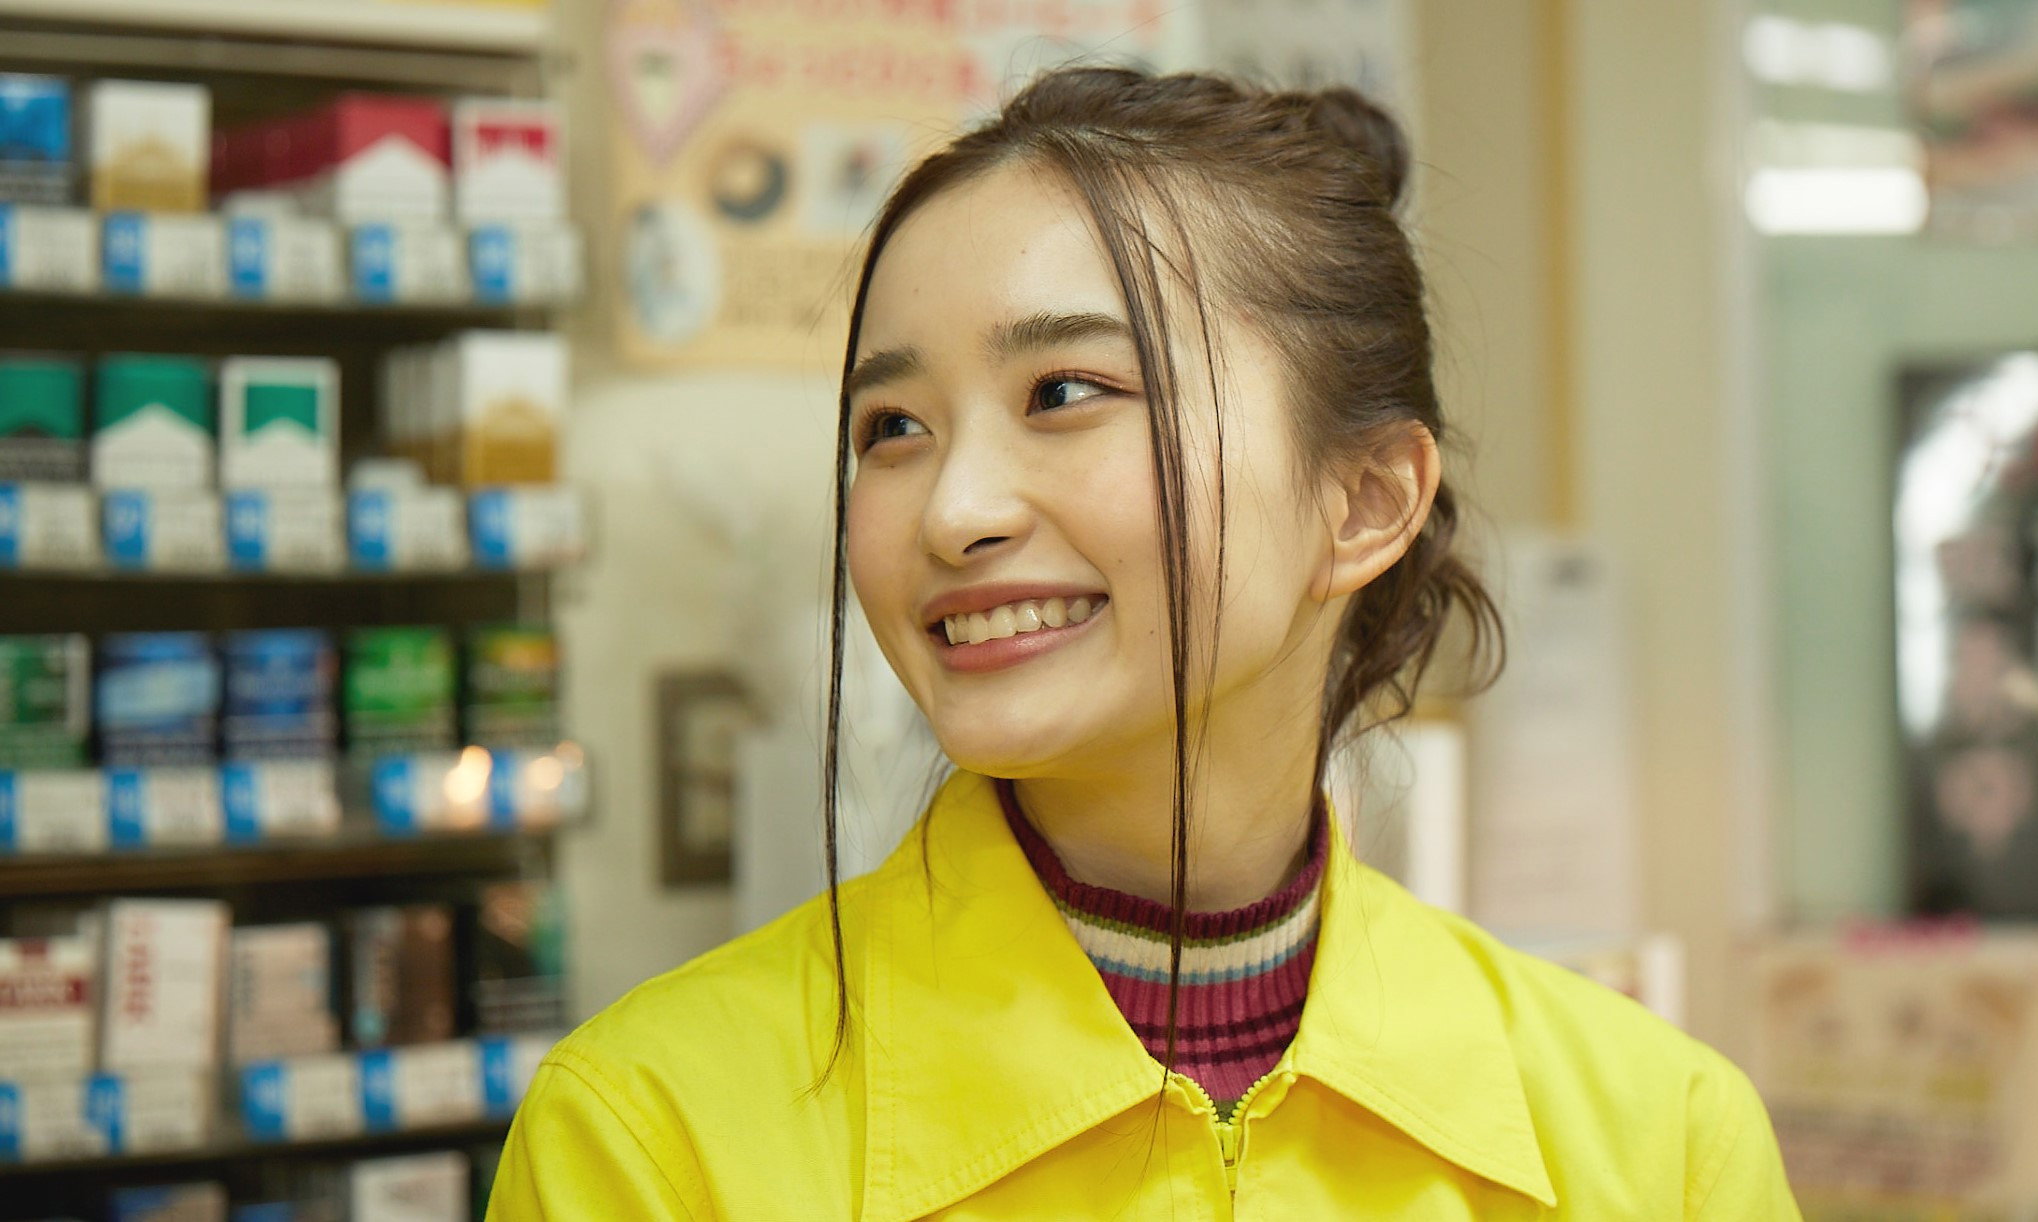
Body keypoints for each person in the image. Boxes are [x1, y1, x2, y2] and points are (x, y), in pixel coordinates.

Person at [488, 66, 1801, 1219]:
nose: (951, 510)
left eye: (1065, 391)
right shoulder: (652, 1138)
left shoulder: (1661, 1144)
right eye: (893, 428)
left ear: (1363, 500)